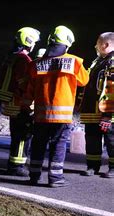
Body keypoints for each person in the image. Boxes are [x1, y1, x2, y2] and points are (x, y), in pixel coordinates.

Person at [23, 26, 89, 187]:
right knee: (58, 145)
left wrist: (24, 108)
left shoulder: (36, 64)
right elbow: (84, 81)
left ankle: (34, 175)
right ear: (68, 43)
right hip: (62, 117)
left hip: (40, 116)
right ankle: (55, 178)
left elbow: (29, 90)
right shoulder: (74, 62)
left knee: (38, 144)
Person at [0, 27, 40, 176]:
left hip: (10, 103)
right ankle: (17, 167)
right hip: (20, 104)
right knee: (22, 136)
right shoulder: (23, 59)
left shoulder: (11, 57)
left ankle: (13, 164)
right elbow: (23, 83)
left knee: (16, 135)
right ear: (29, 41)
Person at [79, 32, 114, 178]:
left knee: (112, 141)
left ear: (105, 45)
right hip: (92, 111)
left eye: (98, 43)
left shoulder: (112, 62)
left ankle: (113, 168)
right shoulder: (98, 61)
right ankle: (92, 166)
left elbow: (112, 88)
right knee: (92, 139)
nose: (96, 46)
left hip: (107, 112)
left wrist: (108, 115)